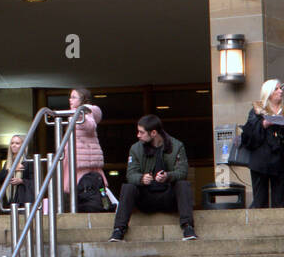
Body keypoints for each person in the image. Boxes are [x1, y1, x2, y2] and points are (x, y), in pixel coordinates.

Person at [108, 114, 195, 242]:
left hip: (168, 196)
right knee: (128, 187)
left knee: (183, 184)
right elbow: (130, 174)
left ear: (153, 133)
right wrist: (141, 179)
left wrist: (168, 176)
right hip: (146, 197)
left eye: (141, 132)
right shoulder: (136, 148)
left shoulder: (176, 146)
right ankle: (118, 230)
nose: (138, 135)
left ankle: (188, 227)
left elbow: (182, 172)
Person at [241, 79, 284, 208]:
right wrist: (264, 124)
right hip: (260, 160)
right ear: (268, 93)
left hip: (279, 159)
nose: (280, 91)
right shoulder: (257, 110)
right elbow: (247, 134)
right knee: (260, 199)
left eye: (280, 88)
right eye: (276, 89)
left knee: (279, 199)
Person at [61, 87, 104, 195]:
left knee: (84, 189)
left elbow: (91, 126)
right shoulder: (79, 112)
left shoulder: (84, 111)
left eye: (74, 97)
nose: (70, 100)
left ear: (83, 99)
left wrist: (79, 115)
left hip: (82, 159)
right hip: (80, 157)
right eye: (70, 97)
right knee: (89, 189)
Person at [0, 134, 35, 207]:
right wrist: (11, 170)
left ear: (23, 145)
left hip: (24, 200)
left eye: (17, 143)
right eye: (12, 143)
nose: (14, 145)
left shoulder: (29, 161)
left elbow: (35, 182)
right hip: (10, 200)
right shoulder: (8, 163)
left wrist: (21, 181)